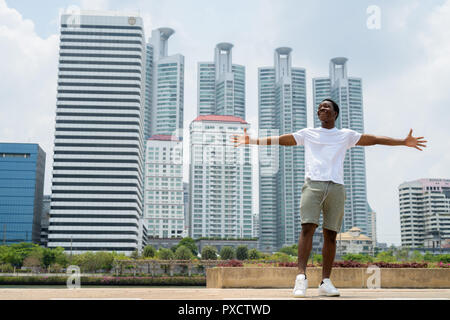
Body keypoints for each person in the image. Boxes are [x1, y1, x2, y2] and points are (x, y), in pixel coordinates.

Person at [231, 98, 427, 297]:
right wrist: (252, 141)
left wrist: (402, 142)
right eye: (320, 108)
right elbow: (283, 139)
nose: (322, 109)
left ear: (335, 114)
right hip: (313, 185)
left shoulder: (345, 135)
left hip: (336, 188)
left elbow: (374, 139)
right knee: (307, 228)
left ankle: (325, 282)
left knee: (331, 235)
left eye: (327, 107)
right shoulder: (308, 134)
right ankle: (301, 278)